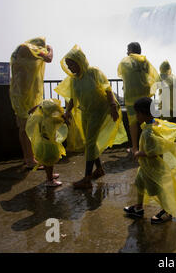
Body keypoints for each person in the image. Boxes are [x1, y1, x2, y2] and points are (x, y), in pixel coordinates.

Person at [55, 45, 126, 189]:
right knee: (90, 142)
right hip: (87, 112)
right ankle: (99, 169)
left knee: (90, 143)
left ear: (79, 61)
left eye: (72, 64)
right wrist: (67, 112)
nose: (70, 68)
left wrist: (113, 106)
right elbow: (73, 99)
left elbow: (107, 88)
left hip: (100, 110)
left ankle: (87, 178)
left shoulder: (93, 72)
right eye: (68, 66)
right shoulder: (74, 79)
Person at [124, 97, 176, 224]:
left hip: (153, 167)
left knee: (159, 190)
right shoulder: (155, 124)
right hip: (145, 167)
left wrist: (137, 153)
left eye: (137, 113)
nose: (136, 116)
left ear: (144, 113)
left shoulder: (149, 132)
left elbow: (153, 153)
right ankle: (138, 207)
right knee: (139, 184)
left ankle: (167, 211)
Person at [9, 37, 53, 169]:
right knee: (28, 128)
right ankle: (30, 160)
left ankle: (26, 157)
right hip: (27, 96)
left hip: (17, 93)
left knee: (22, 128)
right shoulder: (30, 48)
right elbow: (49, 58)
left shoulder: (18, 51)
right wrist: (50, 49)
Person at [118, 42, 159, 156]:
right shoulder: (145, 61)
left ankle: (135, 147)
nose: (127, 52)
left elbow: (123, 76)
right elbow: (152, 76)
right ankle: (154, 143)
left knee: (133, 122)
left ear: (131, 50)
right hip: (144, 94)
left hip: (131, 96)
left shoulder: (125, 61)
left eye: (128, 49)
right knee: (149, 119)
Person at [26, 99, 68, 187]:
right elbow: (64, 120)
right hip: (49, 145)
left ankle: (49, 175)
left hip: (41, 144)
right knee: (50, 162)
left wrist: (38, 106)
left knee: (46, 162)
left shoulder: (39, 118)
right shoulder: (52, 120)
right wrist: (63, 114)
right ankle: (50, 180)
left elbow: (29, 112)